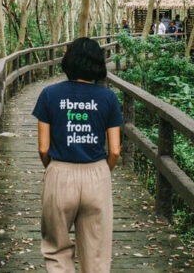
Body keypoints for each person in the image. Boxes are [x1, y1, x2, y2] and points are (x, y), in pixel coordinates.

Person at [32, 37, 124, 272]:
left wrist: (54, 170)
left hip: (60, 173)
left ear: (69, 61)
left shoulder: (49, 95)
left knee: (57, 251)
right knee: (96, 256)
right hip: (96, 174)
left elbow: (43, 148)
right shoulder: (108, 98)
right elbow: (114, 150)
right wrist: (102, 170)